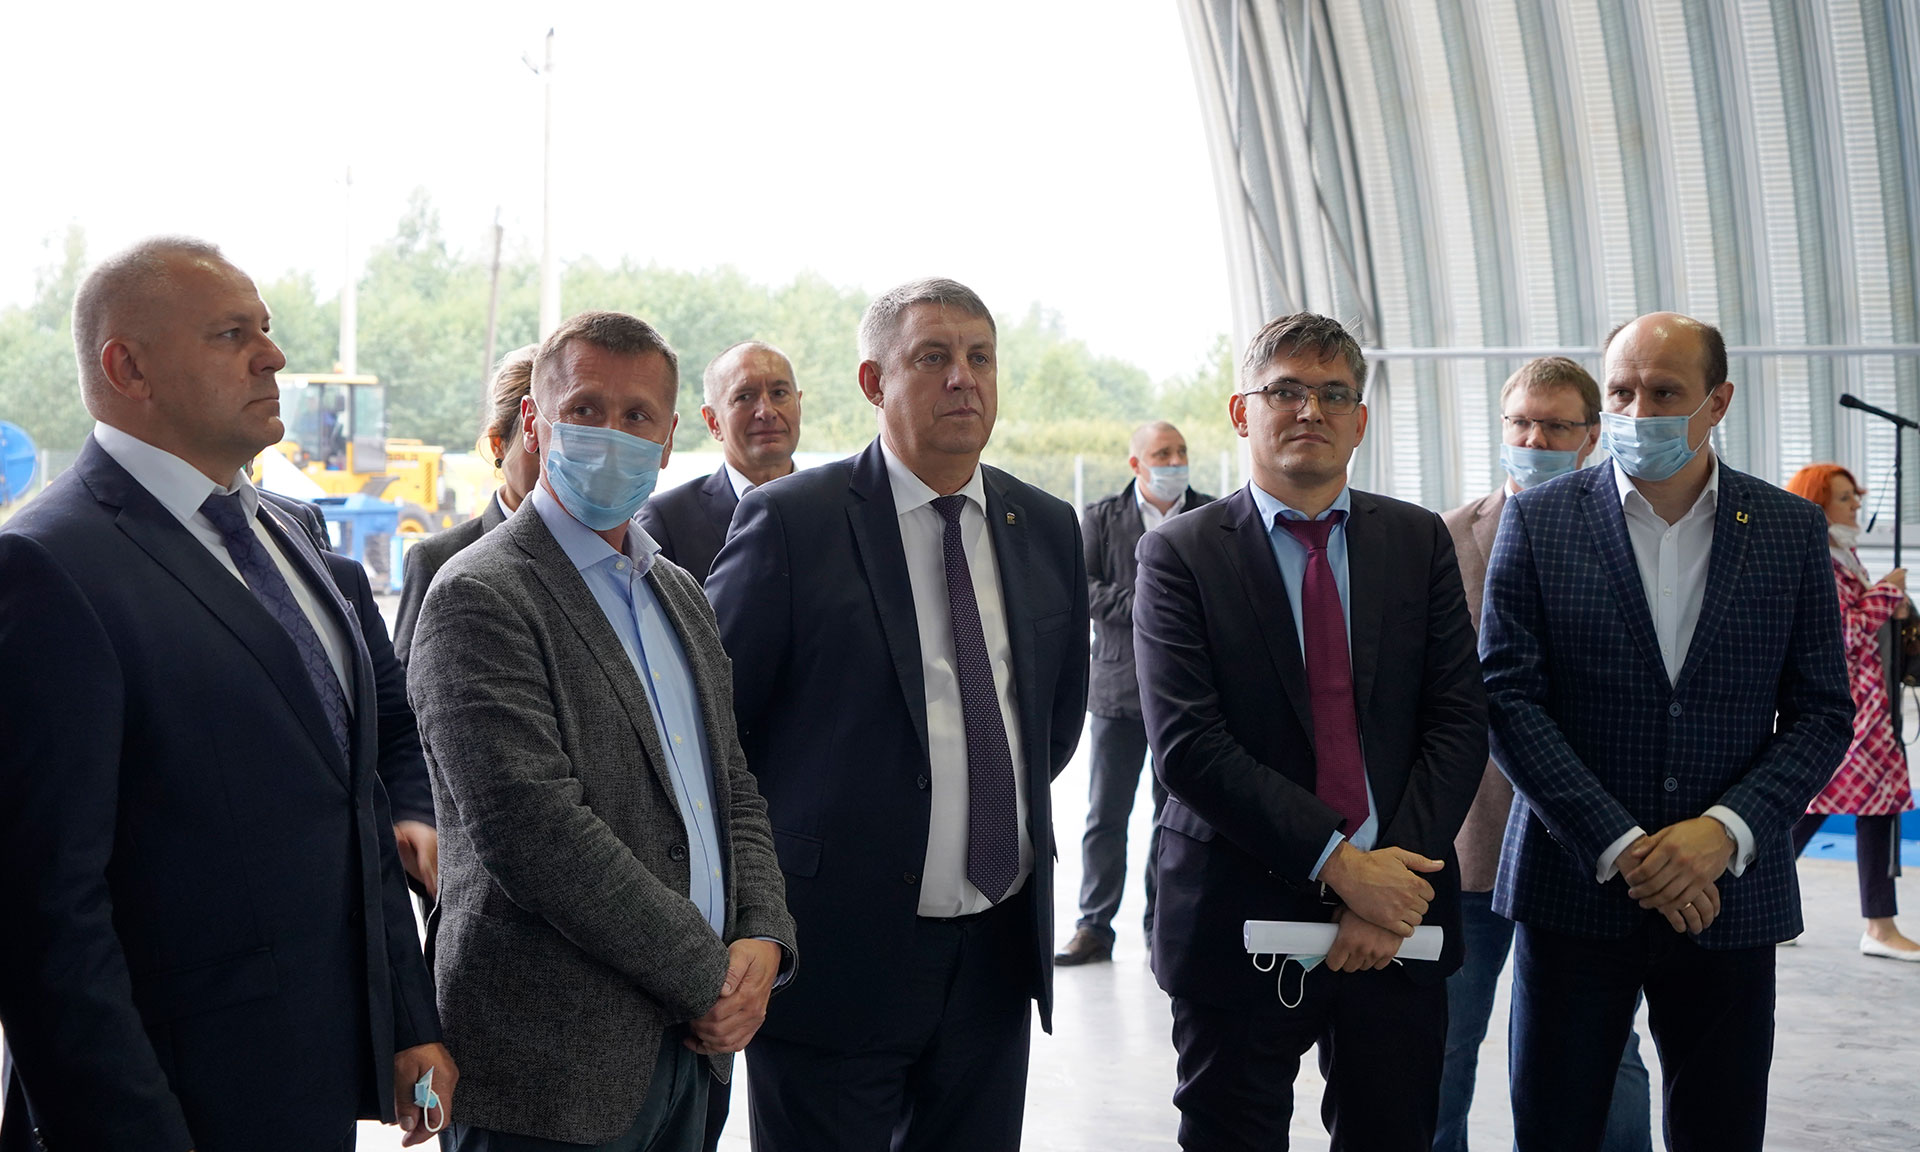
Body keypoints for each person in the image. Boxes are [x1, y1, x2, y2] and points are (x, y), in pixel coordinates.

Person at [0, 236, 452, 1151]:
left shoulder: (289, 534)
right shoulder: (49, 566)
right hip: (174, 1103)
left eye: (266, 329)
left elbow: (354, 800)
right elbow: (46, 915)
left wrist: (407, 1017)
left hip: (315, 1084)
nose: (273, 355)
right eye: (230, 334)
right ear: (128, 369)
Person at [705, 278, 1089, 1151]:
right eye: (933, 357)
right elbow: (714, 732)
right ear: (874, 383)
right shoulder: (791, 523)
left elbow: (1051, 725)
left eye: (980, 357)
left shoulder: (1045, 526)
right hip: (834, 954)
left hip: (995, 956)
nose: (963, 378)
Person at [407, 311, 796, 1152]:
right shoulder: (480, 594)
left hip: (690, 1056)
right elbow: (533, 833)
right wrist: (712, 976)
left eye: (637, 416)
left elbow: (733, 788)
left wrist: (764, 936)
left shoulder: (678, 593)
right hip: (551, 1070)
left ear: (668, 442)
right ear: (535, 424)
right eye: (585, 410)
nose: (611, 435)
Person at [1481, 312, 1854, 1152]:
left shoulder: (1788, 530)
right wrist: (1622, 845)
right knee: (1556, 1129)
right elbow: (1506, 697)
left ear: (1717, 401)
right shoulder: (1541, 521)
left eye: (1663, 392)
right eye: (1620, 392)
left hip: (1729, 897)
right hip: (1574, 890)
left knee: (1720, 1130)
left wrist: (1723, 833)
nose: (1637, 411)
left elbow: (1822, 713)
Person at [1134, 312, 1487, 1150]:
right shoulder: (1181, 555)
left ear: (1360, 420)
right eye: (1285, 390)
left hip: (1399, 914)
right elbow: (1189, 746)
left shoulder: (1417, 541)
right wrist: (1342, 867)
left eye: (1334, 394)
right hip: (1236, 912)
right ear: (1241, 411)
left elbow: (1458, 719)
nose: (1310, 410)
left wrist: (1387, 885)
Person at [1435, 358, 1649, 1152]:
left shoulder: (1634, 540)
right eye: (1522, 422)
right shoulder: (1444, 539)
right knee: (1440, 1046)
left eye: (1556, 426)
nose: (1535, 439)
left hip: (1589, 847)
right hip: (1470, 841)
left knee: (1601, 1055)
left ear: (1592, 436)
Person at [1056, 420, 1214, 966]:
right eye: (1162, 453)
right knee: (1106, 815)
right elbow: (1082, 588)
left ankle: (1163, 925)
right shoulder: (1100, 518)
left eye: (1181, 451)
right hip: (1118, 693)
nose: (1174, 461)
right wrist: (1149, 603)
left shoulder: (1209, 514)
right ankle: (1094, 927)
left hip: (1187, 697)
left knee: (1175, 817)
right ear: (1136, 464)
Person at [1783, 463, 1920, 960]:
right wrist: (1887, 593)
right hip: (1851, 709)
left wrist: (1885, 601)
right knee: (1832, 806)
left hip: (1866, 706)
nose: (1857, 504)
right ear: (1818, 504)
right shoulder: (1817, 556)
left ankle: (1877, 925)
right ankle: (1878, 927)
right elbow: (1843, 633)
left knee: (1838, 806)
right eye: (1845, 498)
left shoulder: (1842, 553)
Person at [393, 344, 540, 663]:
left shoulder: (617, 553)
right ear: (498, 444)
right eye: (539, 446)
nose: (558, 464)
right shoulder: (438, 559)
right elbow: (406, 683)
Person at [640, 341, 803, 584]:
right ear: (713, 422)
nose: (766, 412)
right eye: (744, 397)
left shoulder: (836, 504)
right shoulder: (668, 521)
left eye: (779, 393)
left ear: (799, 404)